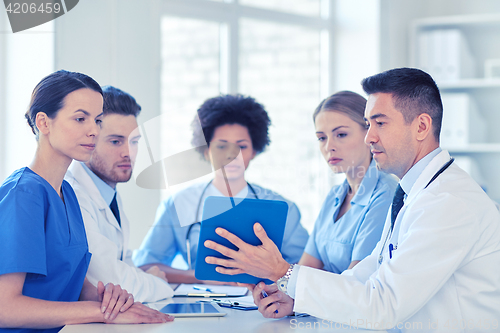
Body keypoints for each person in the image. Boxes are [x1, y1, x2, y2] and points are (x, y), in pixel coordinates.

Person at [203, 68, 500, 331]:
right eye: (369, 124)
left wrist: (283, 271)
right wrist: (293, 295)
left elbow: (382, 306)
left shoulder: (448, 203)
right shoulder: (413, 193)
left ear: (421, 127)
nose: (370, 137)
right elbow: (366, 274)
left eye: (380, 124)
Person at [0, 70, 173, 333]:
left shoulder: (67, 193)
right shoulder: (23, 195)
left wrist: (110, 300)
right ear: (44, 123)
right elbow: (5, 309)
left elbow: (72, 283)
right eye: (80, 119)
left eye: (98, 120)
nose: (93, 130)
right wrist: (99, 312)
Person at [133, 94, 309, 283]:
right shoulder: (178, 205)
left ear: (254, 150)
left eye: (241, 146)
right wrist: (199, 277)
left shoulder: (282, 207)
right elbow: (146, 266)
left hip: (264, 304)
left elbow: (307, 268)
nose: (232, 155)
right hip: (201, 303)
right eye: (221, 146)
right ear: (206, 151)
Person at [64, 86, 174, 303]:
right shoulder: (73, 194)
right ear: (90, 139)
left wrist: (145, 278)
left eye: (134, 141)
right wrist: (158, 283)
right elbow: (111, 282)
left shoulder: (110, 194)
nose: (128, 153)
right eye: (115, 141)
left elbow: (123, 264)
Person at [298, 91, 397, 273]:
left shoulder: (386, 194)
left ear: (369, 134)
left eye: (341, 134)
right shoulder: (334, 196)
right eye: (322, 138)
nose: (329, 147)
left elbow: (356, 283)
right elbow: (306, 269)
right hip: (321, 301)